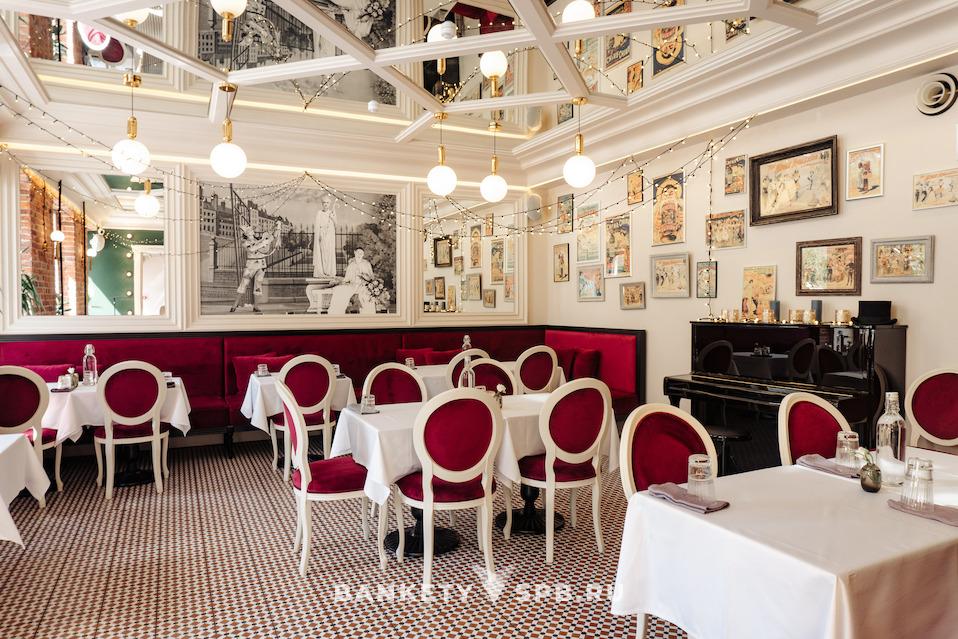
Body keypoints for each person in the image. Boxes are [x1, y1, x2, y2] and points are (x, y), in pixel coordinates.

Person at [230, 221, 283, 313]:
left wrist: (277, 227)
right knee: (244, 283)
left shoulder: (258, 239)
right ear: (246, 233)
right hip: (251, 265)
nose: (252, 230)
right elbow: (252, 248)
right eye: (250, 230)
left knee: (258, 285)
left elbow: (271, 238)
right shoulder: (245, 242)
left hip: (261, 265)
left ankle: (256, 306)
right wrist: (264, 242)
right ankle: (234, 305)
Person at [327, 247, 377, 315]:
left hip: (364, 285)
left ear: (363, 254)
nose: (359, 255)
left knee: (366, 295)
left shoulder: (366, 264)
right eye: (358, 253)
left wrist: (364, 276)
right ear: (355, 253)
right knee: (340, 290)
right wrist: (339, 281)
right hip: (353, 285)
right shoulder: (351, 265)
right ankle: (336, 313)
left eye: (361, 253)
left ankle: (368, 314)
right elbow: (347, 279)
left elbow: (371, 278)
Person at [313, 195, 337, 278]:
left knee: (329, 253)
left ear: (329, 204)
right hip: (322, 235)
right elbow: (317, 225)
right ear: (322, 204)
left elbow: (336, 224)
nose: (326, 204)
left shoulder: (332, 212)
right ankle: (322, 271)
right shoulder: (319, 213)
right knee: (322, 252)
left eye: (327, 202)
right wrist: (319, 234)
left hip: (329, 235)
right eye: (324, 202)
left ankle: (329, 271)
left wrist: (332, 218)